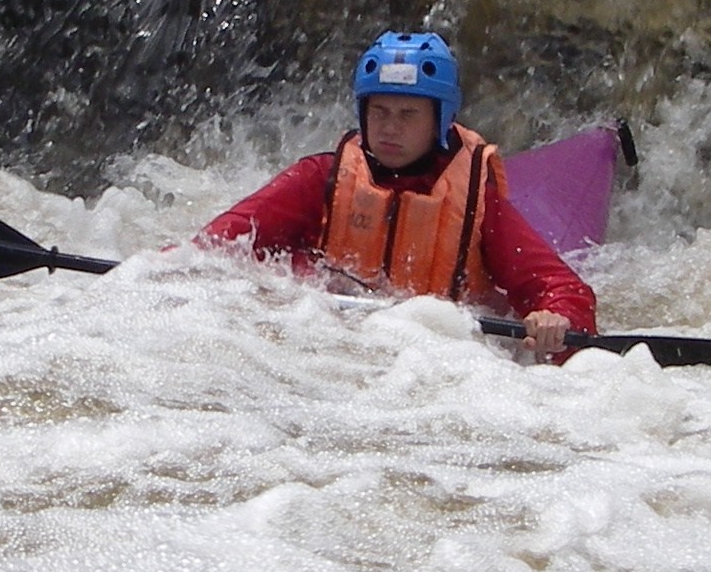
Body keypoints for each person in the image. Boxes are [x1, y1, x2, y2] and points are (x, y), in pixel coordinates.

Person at [199, 30, 597, 356]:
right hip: (326, 348)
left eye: (408, 114)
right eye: (380, 112)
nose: (390, 128)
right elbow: (211, 248)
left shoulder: (477, 204)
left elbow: (564, 290)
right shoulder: (318, 178)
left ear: (440, 119)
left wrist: (555, 318)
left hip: (430, 360)